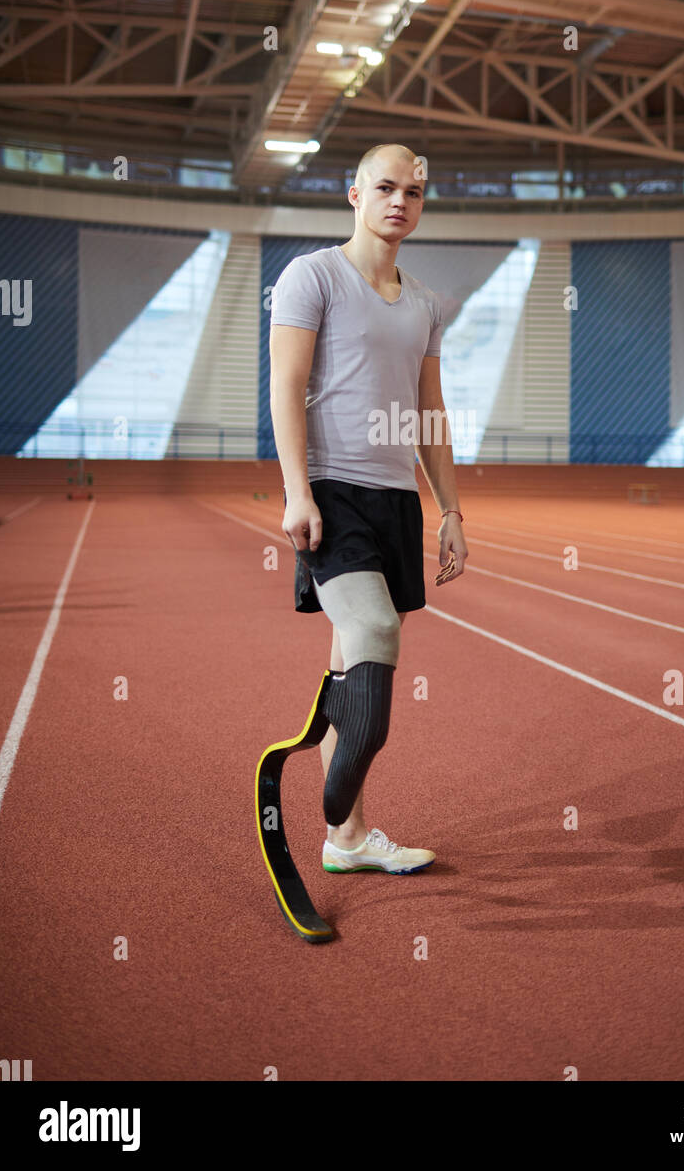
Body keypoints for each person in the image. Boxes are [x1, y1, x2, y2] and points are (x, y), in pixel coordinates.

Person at [269, 142, 469, 875]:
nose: (400, 202)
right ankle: (333, 804)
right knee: (375, 630)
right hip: (331, 491)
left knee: (353, 658)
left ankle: (345, 838)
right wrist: (297, 491)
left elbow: (430, 413)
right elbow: (286, 387)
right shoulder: (312, 276)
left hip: (394, 503)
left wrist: (450, 509)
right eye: (385, 188)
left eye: (414, 193)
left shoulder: (424, 304)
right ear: (354, 195)